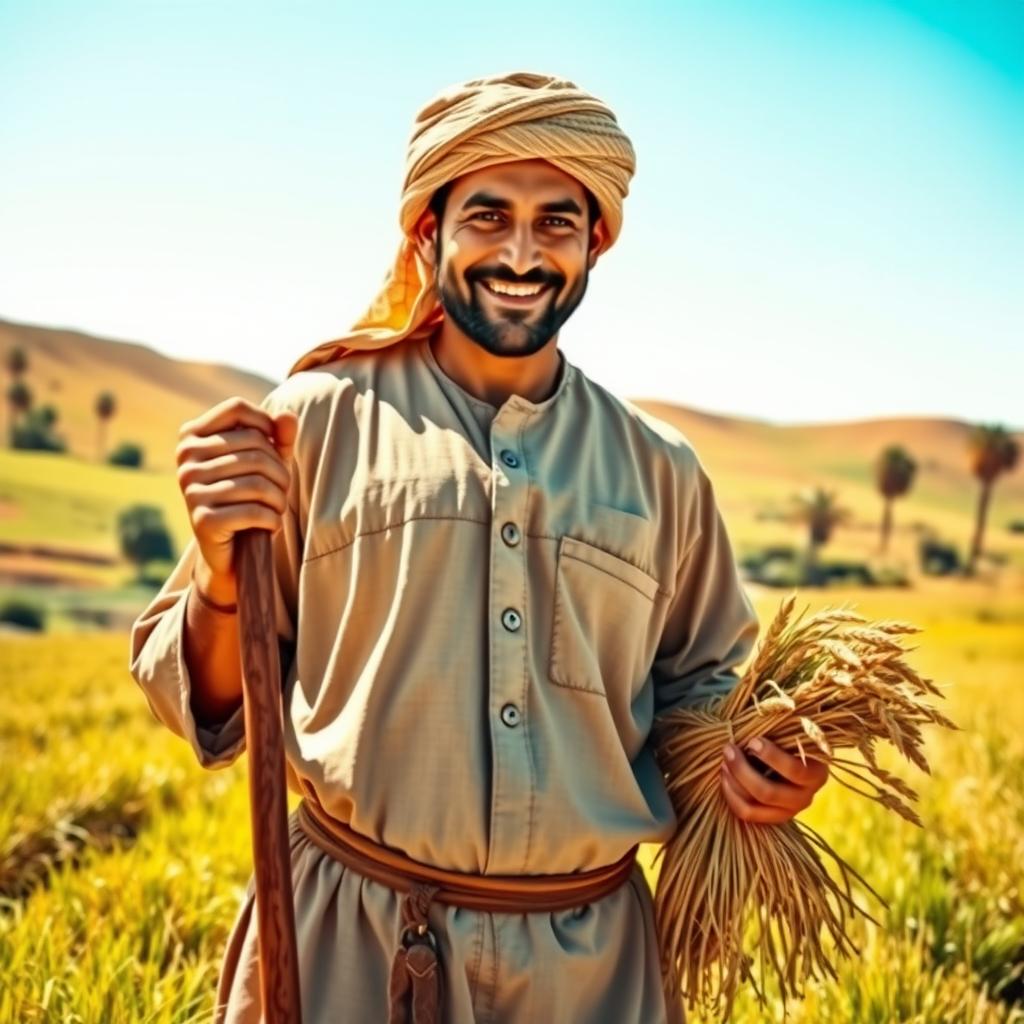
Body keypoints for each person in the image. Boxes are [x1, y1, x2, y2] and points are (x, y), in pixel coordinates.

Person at [129, 70, 827, 1024]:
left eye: (556, 224)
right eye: (488, 216)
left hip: (590, 974)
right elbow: (202, 700)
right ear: (430, 233)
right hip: (345, 945)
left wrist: (756, 766)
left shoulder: (662, 471)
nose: (522, 252)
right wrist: (216, 573)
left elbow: (702, 694)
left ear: (594, 245)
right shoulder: (316, 424)